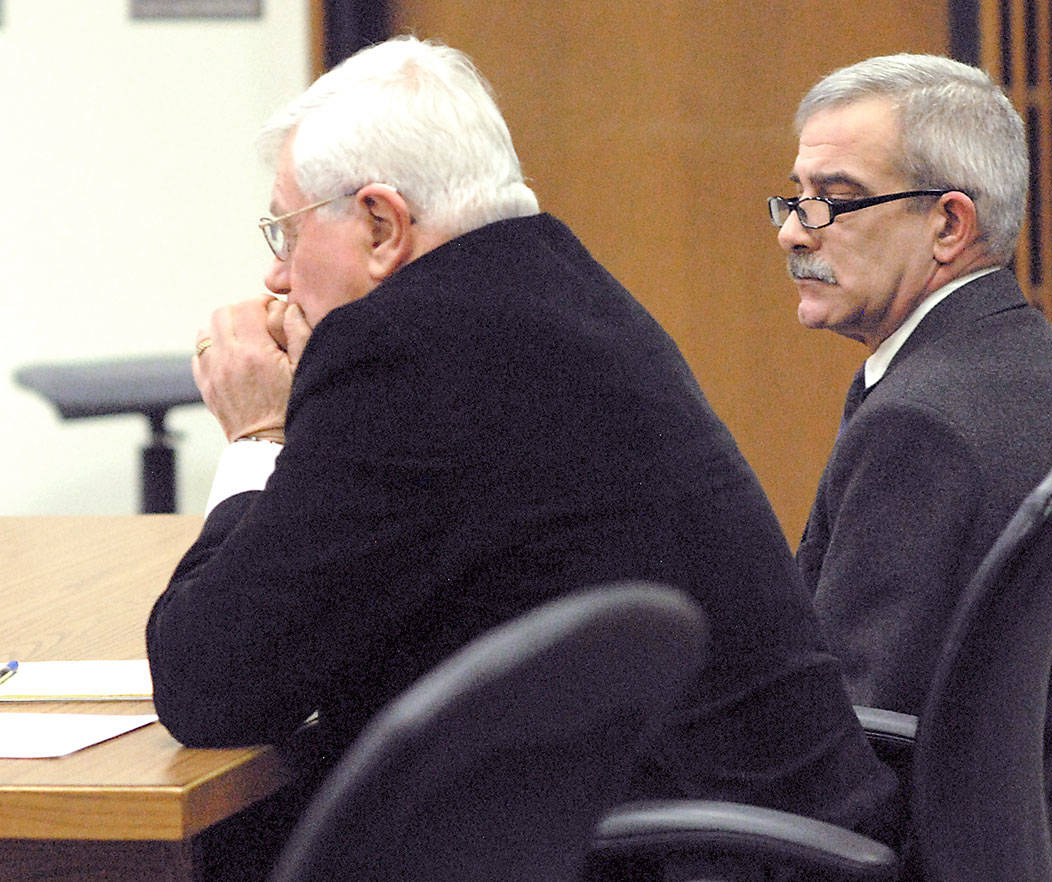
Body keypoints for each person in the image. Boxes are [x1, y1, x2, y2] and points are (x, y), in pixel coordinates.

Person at [146, 36, 902, 876]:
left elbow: (209, 684)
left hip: (685, 855)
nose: (277, 278)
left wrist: (258, 433)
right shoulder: (552, 287)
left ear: (381, 225)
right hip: (760, 835)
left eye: (285, 233)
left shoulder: (404, 352)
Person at [772, 53, 1052, 831]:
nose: (791, 233)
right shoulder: (1011, 356)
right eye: (796, 197)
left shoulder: (925, 425)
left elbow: (848, 761)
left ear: (949, 225)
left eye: (833, 202)